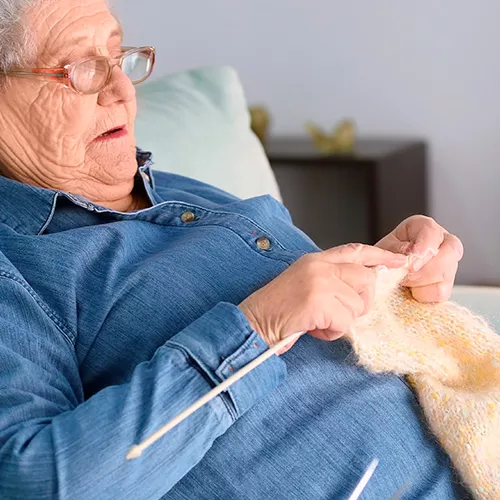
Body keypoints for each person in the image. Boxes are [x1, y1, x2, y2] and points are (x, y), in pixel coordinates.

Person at [0, 0, 469, 498]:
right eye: (84, 70)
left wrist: (384, 275)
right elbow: (39, 482)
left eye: (119, 58)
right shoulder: (20, 269)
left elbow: (311, 317)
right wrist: (256, 331)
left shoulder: (187, 192)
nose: (122, 92)